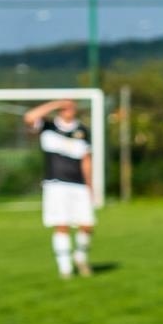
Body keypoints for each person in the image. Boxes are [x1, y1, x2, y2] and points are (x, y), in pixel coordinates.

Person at [23, 99, 95, 279]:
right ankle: (65, 268)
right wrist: (55, 104)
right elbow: (29, 117)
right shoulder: (47, 126)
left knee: (87, 225)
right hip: (56, 184)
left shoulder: (83, 131)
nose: (67, 110)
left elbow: (86, 160)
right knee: (61, 224)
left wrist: (90, 186)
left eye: (70, 106)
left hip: (79, 184)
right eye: (64, 107)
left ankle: (80, 257)